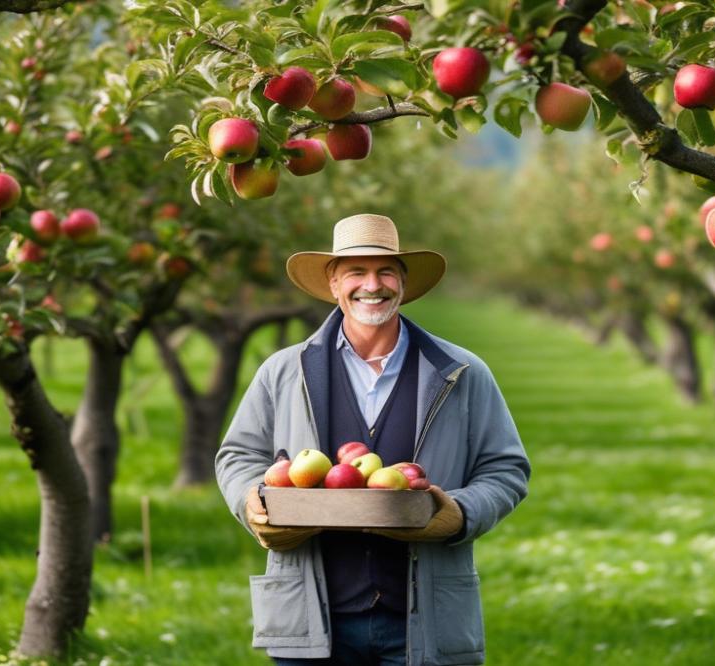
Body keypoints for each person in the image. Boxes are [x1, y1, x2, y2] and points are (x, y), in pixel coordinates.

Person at [216, 213, 530, 665]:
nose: (372, 284)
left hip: (423, 618)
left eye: (385, 271)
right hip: (310, 616)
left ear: (403, 283)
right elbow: (238, 455)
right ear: (333, 284)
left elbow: (506, 468)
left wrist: (460, 514)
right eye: (356, 273)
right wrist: (253, 504)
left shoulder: (461, 373)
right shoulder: (284, 371)